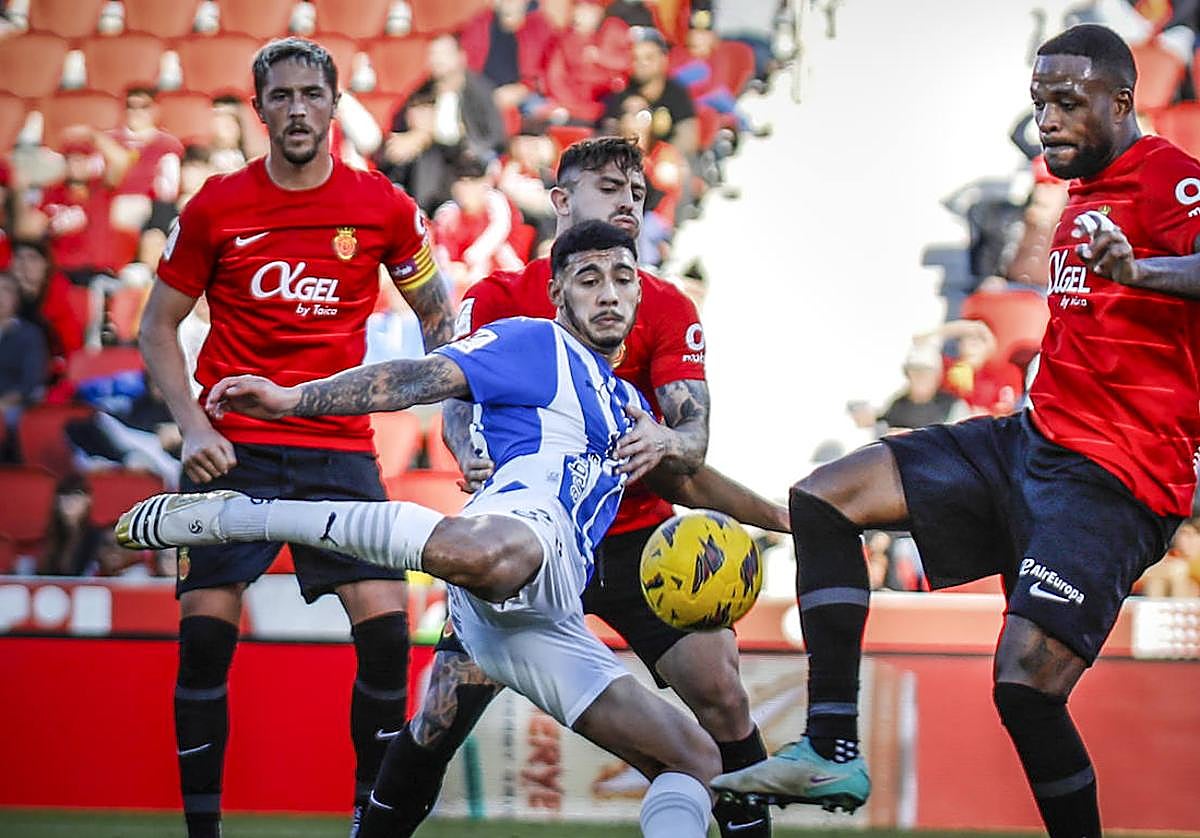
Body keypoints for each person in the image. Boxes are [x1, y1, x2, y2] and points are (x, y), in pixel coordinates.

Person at [713, 25, 1200, 836]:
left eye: (1068, 103)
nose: (1047, 120)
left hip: (1118, 480)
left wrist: (1138, 271)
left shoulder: (1170, 180)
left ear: (1123, 102)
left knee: (1024, 686)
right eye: (1040, 102)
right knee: (824, 498)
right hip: (1031, 443)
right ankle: (829, 743)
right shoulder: (1080, 189)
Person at [119, 221, 736, 838]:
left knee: (700, 764)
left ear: (640, 293)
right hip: (517, 540)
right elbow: (414, 378)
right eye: (589, 279)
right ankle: (240, 515)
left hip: (544, 620)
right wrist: (292, 400)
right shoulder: (535, 343)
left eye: (623, 280)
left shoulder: (625, 405)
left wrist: (790, 518)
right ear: (557, 294)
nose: (608, 294)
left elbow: (691, 479)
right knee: (496, 556)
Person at [361, 137, 784, 838]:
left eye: (638, 194)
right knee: (438, 718)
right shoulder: (498, 295)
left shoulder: (668, 304)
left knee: (724, 700)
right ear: (561, 202)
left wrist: (668, 441)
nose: (628, 204)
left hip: (643, 541)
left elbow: (693, 438)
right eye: (611, 188)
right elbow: (457, 410)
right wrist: (470, 453)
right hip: (532, 539)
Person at [135, 38, 455, 838]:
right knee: (204, 640)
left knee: (386, 638)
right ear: (260, 109)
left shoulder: (382, 206)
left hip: (337, 446)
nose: (298, 109)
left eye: (313, 94)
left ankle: (366, 821)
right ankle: (202, 833)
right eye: (281, 96)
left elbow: (440, 320)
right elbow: (156, 329)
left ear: (335, 103)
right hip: (231, 449)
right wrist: (192, 427)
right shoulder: (216, 206)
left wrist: (447, 412)